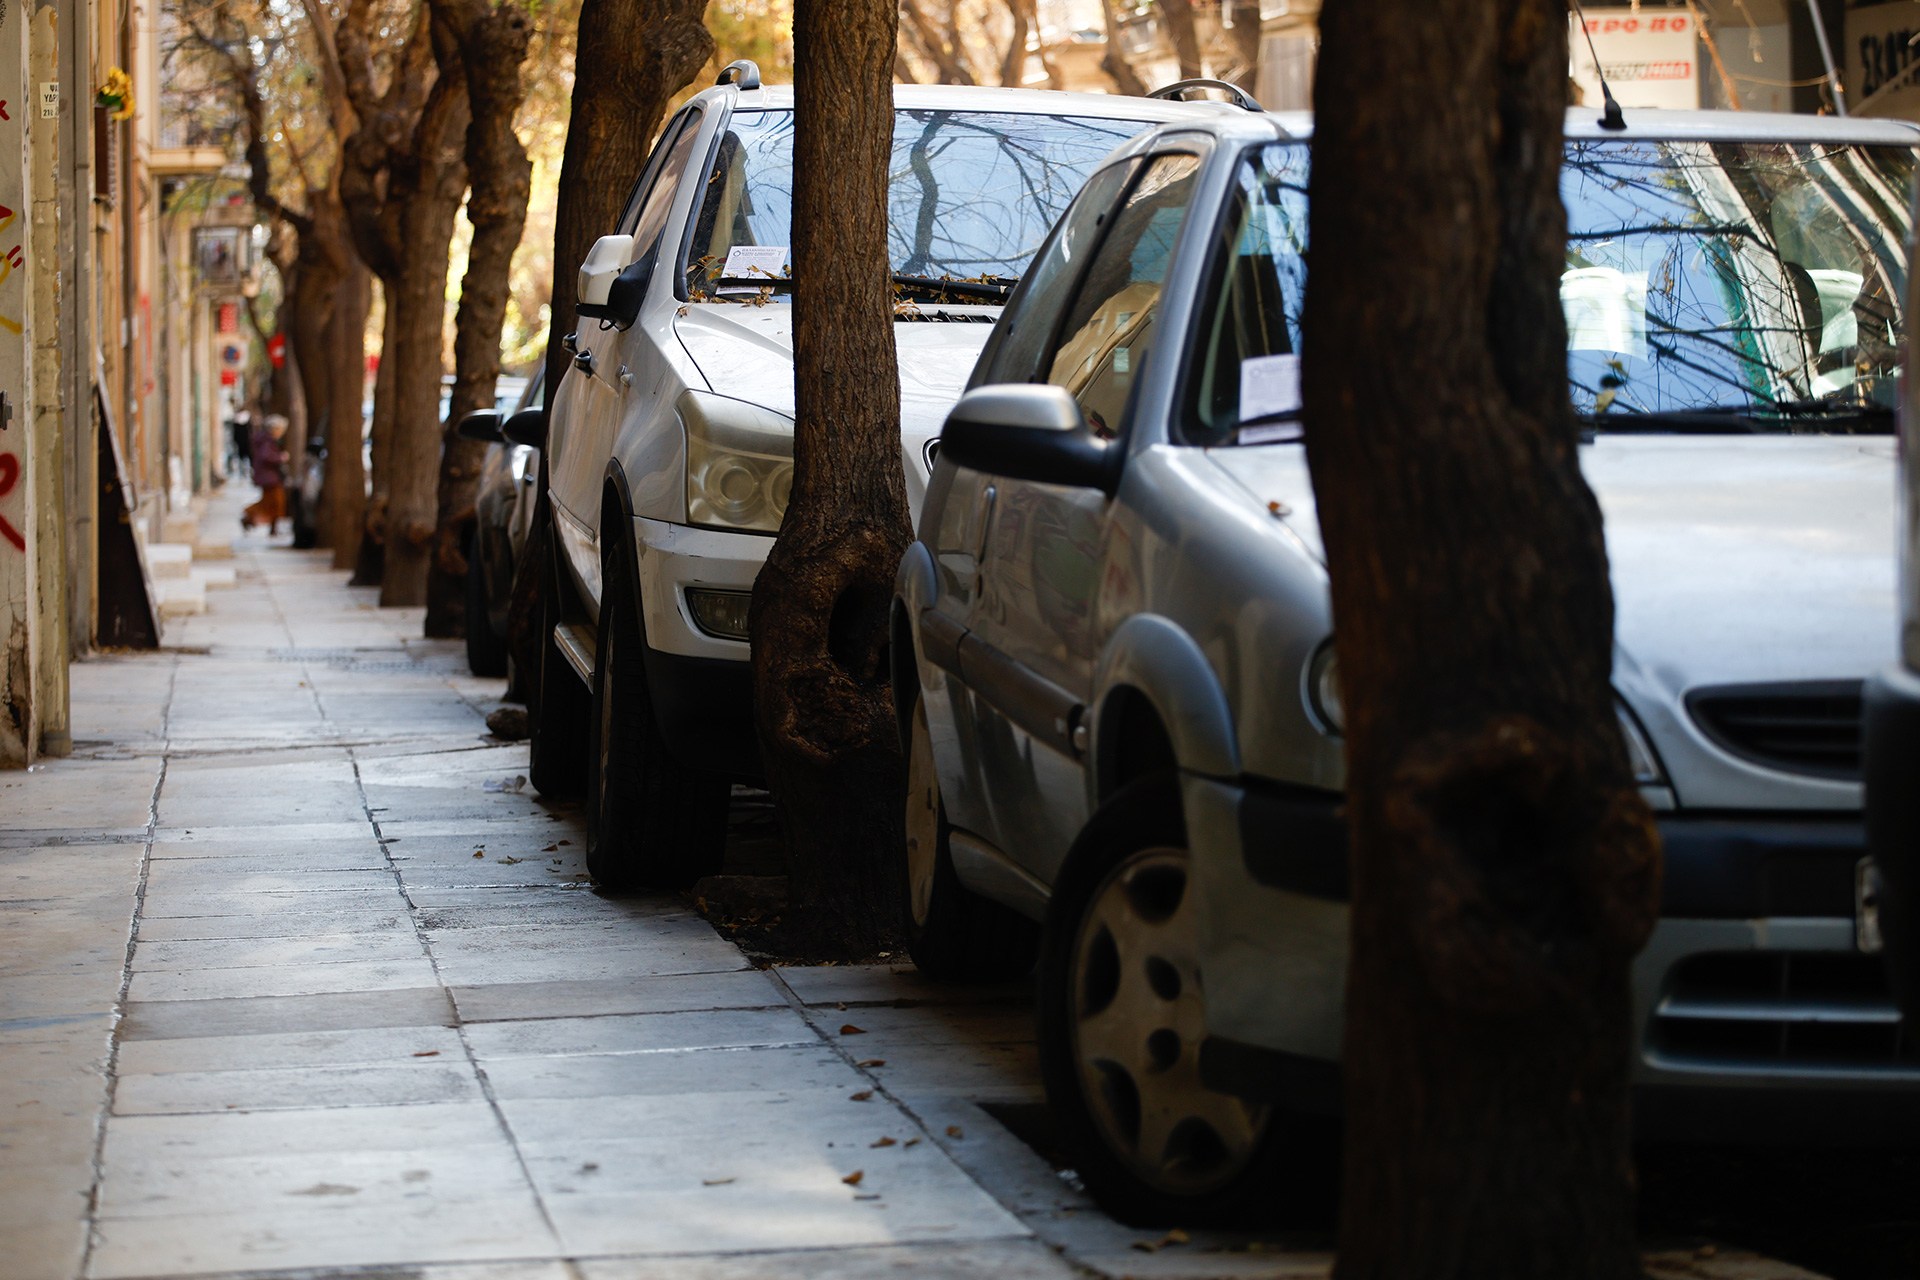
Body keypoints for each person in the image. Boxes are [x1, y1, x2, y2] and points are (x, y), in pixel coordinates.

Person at [242, 415, 290, 535]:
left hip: (268, 476)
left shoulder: (265, 440)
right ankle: (248, 515)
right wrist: (280, 457)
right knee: (273, 502)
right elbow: (266, 456)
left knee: (273, 502)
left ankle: (271, 527)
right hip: (269, 477)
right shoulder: (267, 441)